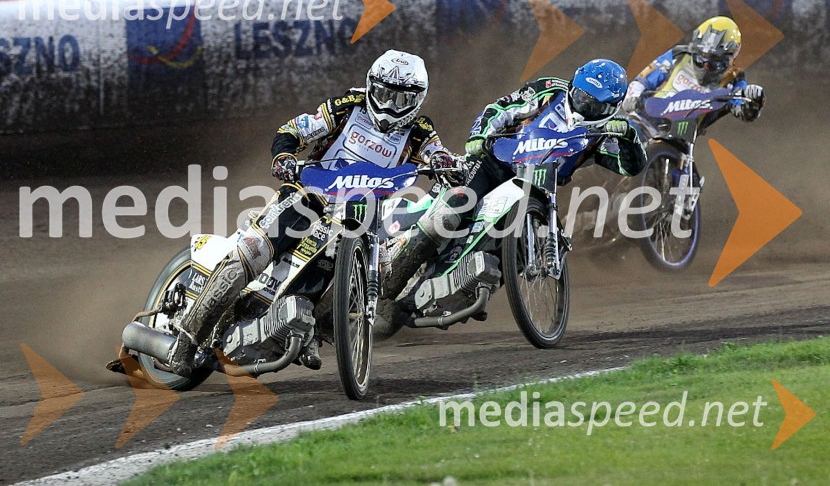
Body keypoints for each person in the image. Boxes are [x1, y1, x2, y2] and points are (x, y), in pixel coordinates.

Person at [167, 49, 454, 377]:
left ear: (417, 100)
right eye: (384, 93)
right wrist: (284, 155)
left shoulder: (419, 129)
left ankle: (311, 328)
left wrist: (448, 164)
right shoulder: (348, 107)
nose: (389, 105)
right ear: (371, 86)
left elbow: (437, 151)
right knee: (255, 249)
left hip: (367, 212)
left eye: (401, 99)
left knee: (387, 266)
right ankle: (185, 343)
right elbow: (294, 129)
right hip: (312, 196)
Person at [384, 58, 646, 300]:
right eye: (580, 96)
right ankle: (392, 274)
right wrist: (479, 136)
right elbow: (501, 108)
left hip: (538, 189)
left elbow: (629, 167)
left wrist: (629, 138)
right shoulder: (549, 90)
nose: (583, 105)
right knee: (452, 211)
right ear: (573, 85)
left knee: (516, 254)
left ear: (612, 107)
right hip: (493, 164)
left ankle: (458, 289)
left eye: (594, 104)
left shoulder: (608, 132)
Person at [620, 16, 765, 122]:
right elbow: (643, 80)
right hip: (646, 118)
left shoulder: (733, 78)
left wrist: (754, 100)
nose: (706, 65)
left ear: (730, 56)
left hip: (684, 132)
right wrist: (632, 98)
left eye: (714, 60)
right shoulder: (679, 55)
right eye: (702, 59)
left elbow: (743, 110)